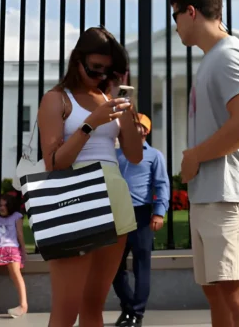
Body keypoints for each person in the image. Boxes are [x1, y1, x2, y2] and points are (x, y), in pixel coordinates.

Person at [172, 0, 239, 327]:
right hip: (212, 194)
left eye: (176, 15)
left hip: (229, 195)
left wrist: (194, 156)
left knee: (237, 291)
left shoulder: (230, 55)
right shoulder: (214, 59)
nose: (176, 24)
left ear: (191, 12)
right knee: (217, 290)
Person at [37, 26, 143, 327]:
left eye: (108, 72)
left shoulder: (108, 98)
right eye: (95, 69)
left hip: (115, 199)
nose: (101, 77)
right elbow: (55, 162)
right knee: (66, 310)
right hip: (74, 200)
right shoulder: (58, 99)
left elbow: (135, 155)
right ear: (77, 60)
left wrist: (125, 111)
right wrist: (90, 124)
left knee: (94, 306)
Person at [113, 113, 170, 327]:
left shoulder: (154, 155)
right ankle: (128, 307)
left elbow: (162, 184)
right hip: (116, 214)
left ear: (145, 130)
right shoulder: (115, 153)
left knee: (141, 266)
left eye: (136, 125)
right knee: (114, 268)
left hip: (141, 214)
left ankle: (137, 314)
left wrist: (159, 212)